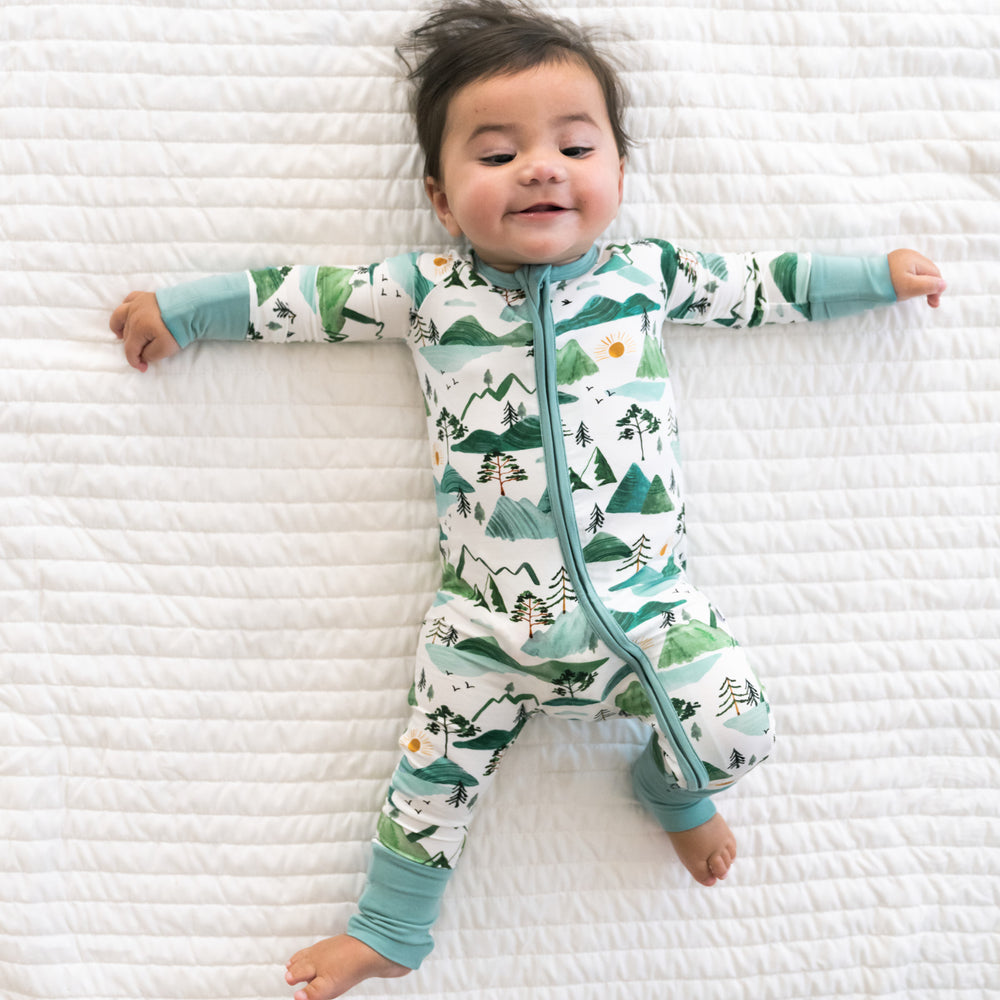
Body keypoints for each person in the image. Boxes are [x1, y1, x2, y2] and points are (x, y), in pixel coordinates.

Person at [109, 1, 946, 997]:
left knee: (742, 723)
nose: (542, 167)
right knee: (427, 783)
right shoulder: (424, 288)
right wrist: (185, 311)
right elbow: (299, 299)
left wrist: (873, 275)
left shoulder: (647, 274)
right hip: (481, 631)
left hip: (650, 610)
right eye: (497, 153)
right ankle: (389, 929)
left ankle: (670, 791)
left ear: (620, 176)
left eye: (574, 144)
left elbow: (762, 283)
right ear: (438, 194)